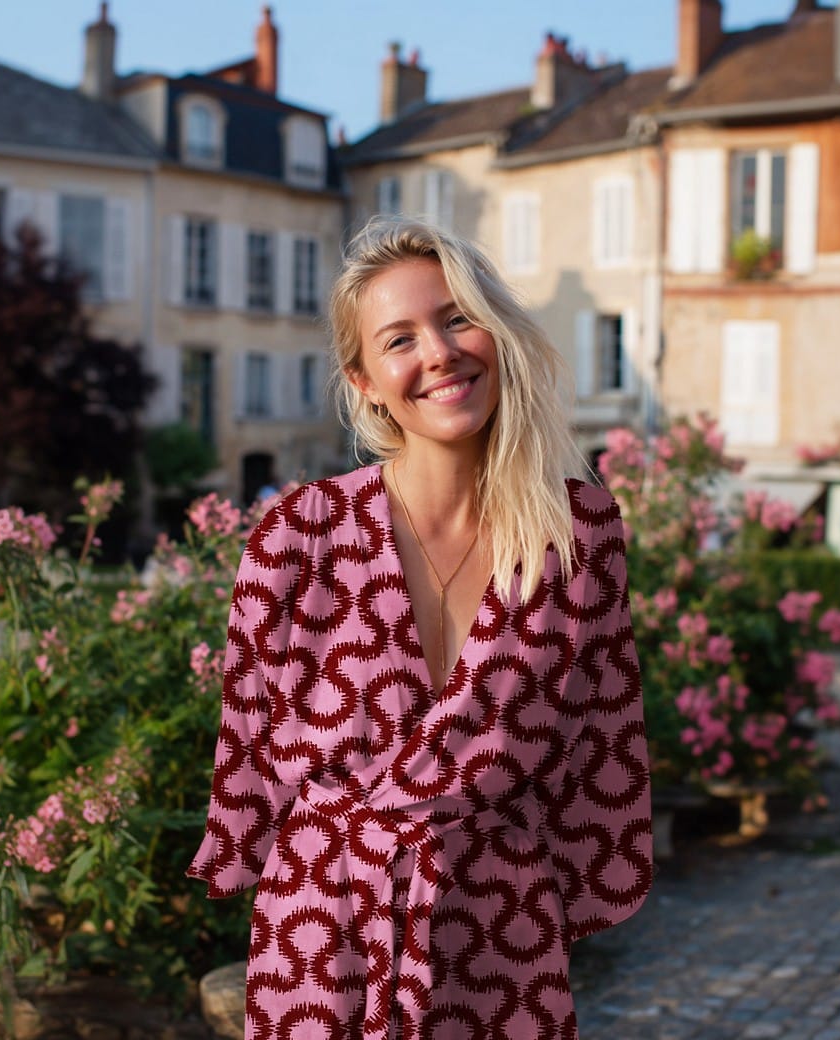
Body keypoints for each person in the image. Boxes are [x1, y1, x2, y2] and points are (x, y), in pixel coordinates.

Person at [188, 218, 652, 1040]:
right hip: (324, 928)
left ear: (498, 332)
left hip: (499, 924)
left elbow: (601, 738)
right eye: (399, 338)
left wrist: (552, 897)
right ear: (363, 379)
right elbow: (248, 744)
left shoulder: (578, 533)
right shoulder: (299, 534)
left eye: (458, 318)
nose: (438, 353)